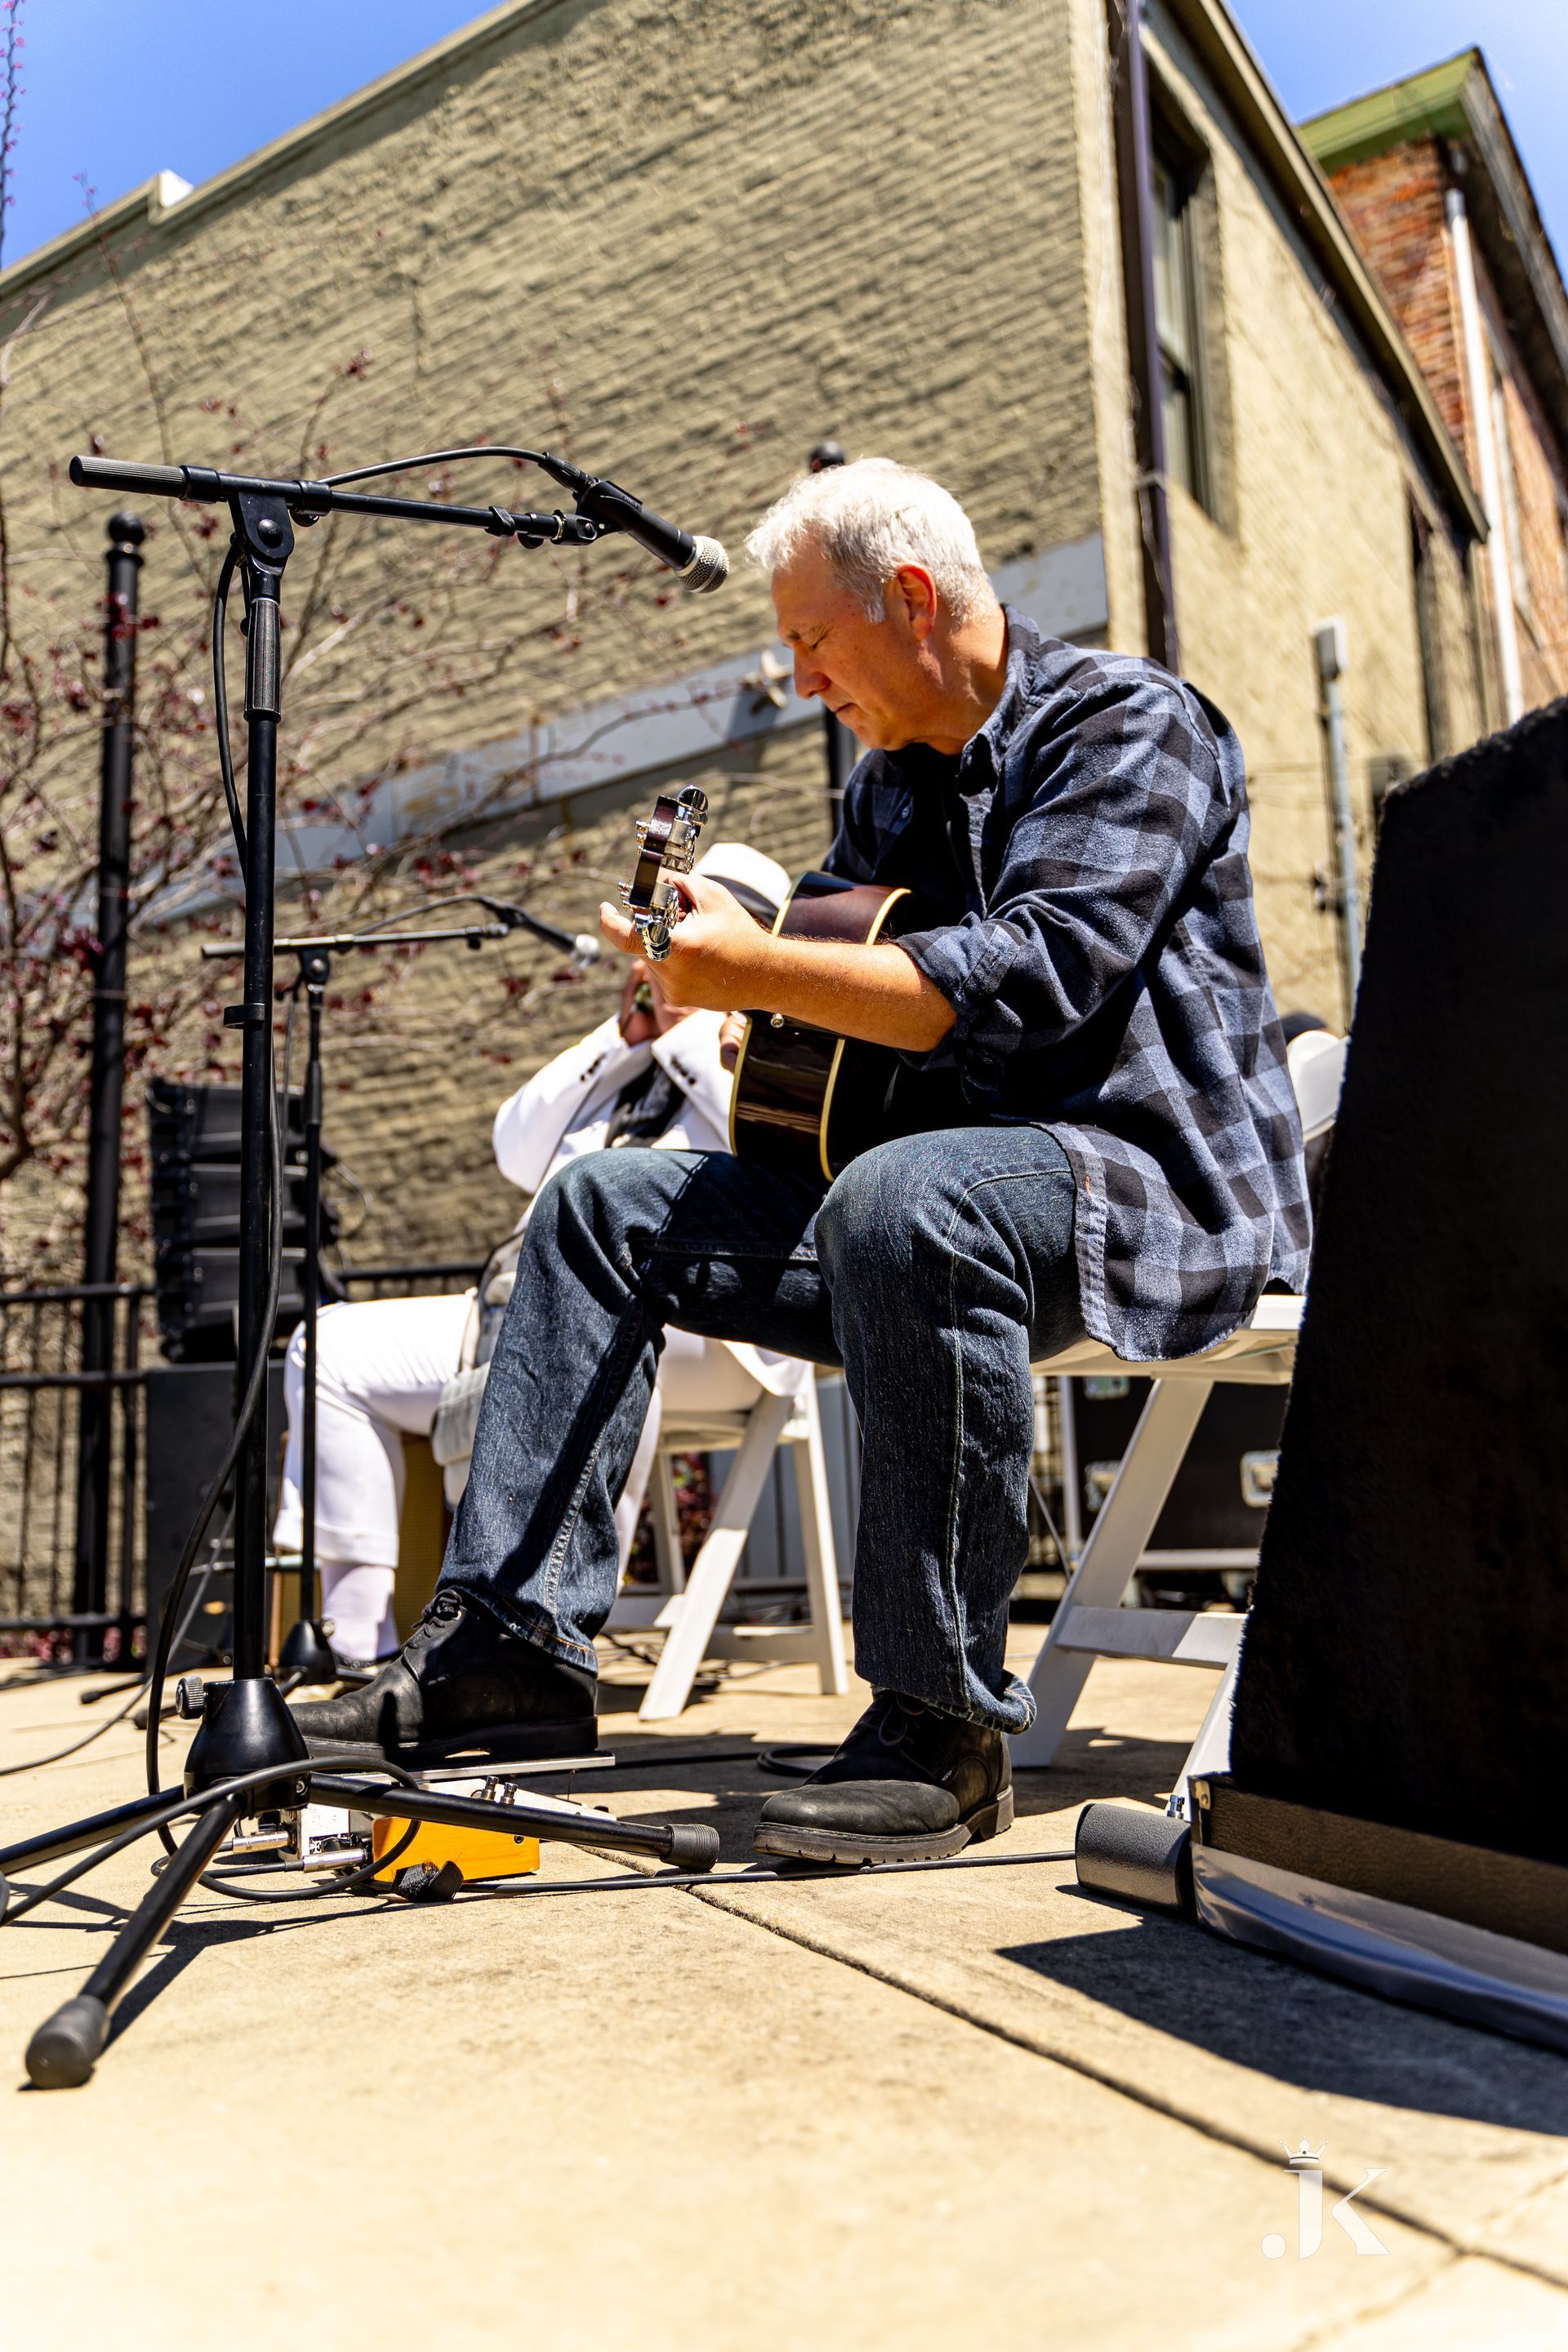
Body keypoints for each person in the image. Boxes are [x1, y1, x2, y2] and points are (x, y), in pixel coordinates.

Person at [296, 457, 1310, 1864]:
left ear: (909, 599)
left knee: (908, 1198)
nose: (798, 675)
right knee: (597, 1205)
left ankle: (941, 1733)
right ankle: (511, 1656)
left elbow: (1032, 982)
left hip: (1139, 1183)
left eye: (811, 639)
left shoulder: (1129, 724)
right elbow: (838, 1026)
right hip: (929, 1218)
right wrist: (735, 962)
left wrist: (757, 968)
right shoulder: (889, 791)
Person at [274, 840, 791, 1664]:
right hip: (535, 1298)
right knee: (327, 1348)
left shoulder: (771, 1035)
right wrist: (626, 1036)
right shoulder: (627, 1051)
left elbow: (761, 1147)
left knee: (609, 1324)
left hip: (714, 1325)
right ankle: (358, 1637)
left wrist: (694, 1023)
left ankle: (540, 1633)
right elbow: (516, 1150)